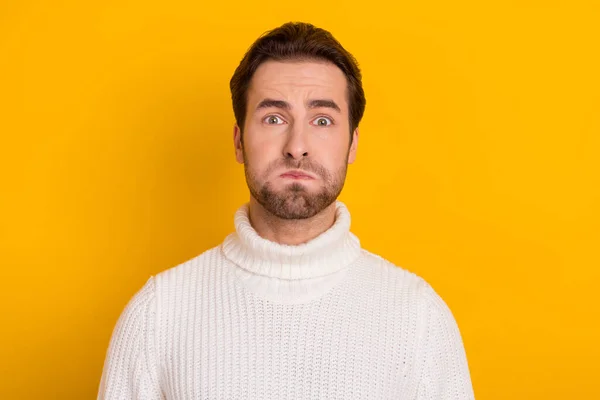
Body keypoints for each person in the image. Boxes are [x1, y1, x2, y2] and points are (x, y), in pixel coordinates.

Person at [98, 22, 475, 399]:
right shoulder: (157, 315)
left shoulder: (418, 317)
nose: (297, 146)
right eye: (274, 118)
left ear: (353, 144)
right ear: (239, 141)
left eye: (322, 120)